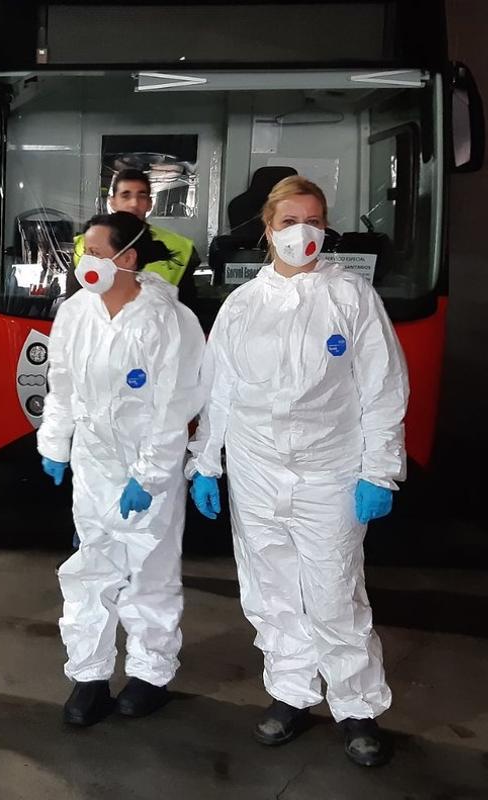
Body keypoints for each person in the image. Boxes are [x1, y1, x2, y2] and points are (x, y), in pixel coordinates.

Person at [187, 176, 407, 767]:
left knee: (335, 590)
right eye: (289, 222)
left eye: (314, 221)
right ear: (267, 228)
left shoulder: (352, 297)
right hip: (257, 471)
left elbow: (382, 390)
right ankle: (290, 692)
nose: (302, 233)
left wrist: (378, 471)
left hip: (331, 471)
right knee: (272, 590)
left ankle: (357, 704)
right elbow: (220, 390)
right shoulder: (242, 305)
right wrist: (207, 463)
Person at [38, 211, 205, 726]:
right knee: (92, 567)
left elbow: (176, 406)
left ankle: (150, 673)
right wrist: (55, 444)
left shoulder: (169, 321)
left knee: (150, 570)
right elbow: (61, 384)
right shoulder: (76, 312)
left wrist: (151, 476)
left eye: (94, 250)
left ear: (127, 259)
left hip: (145, 464)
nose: (84, 260)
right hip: (94, 461)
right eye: (82, 251)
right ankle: (88, 674)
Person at [74, 167, 200, 304]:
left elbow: (186, 308)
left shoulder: (179, 247)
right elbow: (74, 303)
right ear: (112, 202)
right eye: (125, 195)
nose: (134, 203)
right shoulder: (84, 245)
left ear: (150, 204)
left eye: (141, 196)